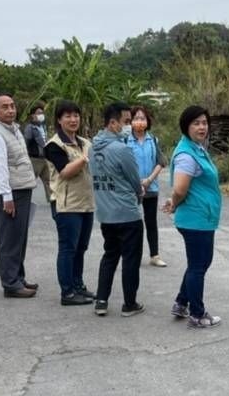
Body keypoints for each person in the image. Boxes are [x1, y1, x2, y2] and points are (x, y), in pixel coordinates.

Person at [165, 105, 222, 329]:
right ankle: (197, 314)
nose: (202, 127)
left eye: (204, 123)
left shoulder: (196, 148)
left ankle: (181, 302)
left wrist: (174, 202)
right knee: (199, 265)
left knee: (198, 263)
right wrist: (175, 202)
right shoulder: (187, 154)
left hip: (201, 217)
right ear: (186, 126)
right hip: (196, 220)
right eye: (196, 123)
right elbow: (180, 189)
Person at [91, 102, 146, 317]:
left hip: (106, 214)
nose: (129, 125)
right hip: (127, 214)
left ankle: (101, 300)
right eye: (126, 121)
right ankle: (129, 304)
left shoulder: (92, 148)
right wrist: (140, 193)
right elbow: (135, 181)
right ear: (112, 123)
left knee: (110, 255)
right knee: (131, 260)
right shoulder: (122, 149)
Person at [0, 92, 38, 298]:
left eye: (12, 106)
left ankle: (18, 278)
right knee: (9, 240)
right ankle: (11, 284)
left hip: (22, 190)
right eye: (4, 107)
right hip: (10, 193)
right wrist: (7, 196)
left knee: (19, 238)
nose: (10, 110)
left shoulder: (14, 129)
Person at [45, 100, 95, 306]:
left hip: (86, 203)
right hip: (66, 206)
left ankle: (78, 285)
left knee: (81, 248)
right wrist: (84, 158)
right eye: (68, 116)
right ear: (59, 119)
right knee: (68, 248)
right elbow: (65, 172)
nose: (73, 119)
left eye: (76, 115)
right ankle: (67, 292)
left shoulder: (85, 142)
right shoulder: (53, 145)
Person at [126, 105, 169, 267]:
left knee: (151, 222)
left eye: (142, 118)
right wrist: (137, 182)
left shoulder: (153, 140)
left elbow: (161, 162)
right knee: (132, 223)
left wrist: (149, 180)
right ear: (130, 121)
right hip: (132, 189)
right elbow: (124, 164)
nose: (139, 122)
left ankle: (155, 255)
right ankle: (131, 255)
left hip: (151, 187)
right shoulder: (125, 140)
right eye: (136, 118)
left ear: (147, 121)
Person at [23, 101, 54, 207]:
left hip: (44, 158)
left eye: (42, 113)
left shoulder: (43, 127)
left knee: (49, 180)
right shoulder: (30, 128)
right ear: (33, 115)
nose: (41, 115)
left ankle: (52, 200)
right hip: (35, 159)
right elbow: (25, 143)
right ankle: (24, 201)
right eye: (38, 113)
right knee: (30, 182)